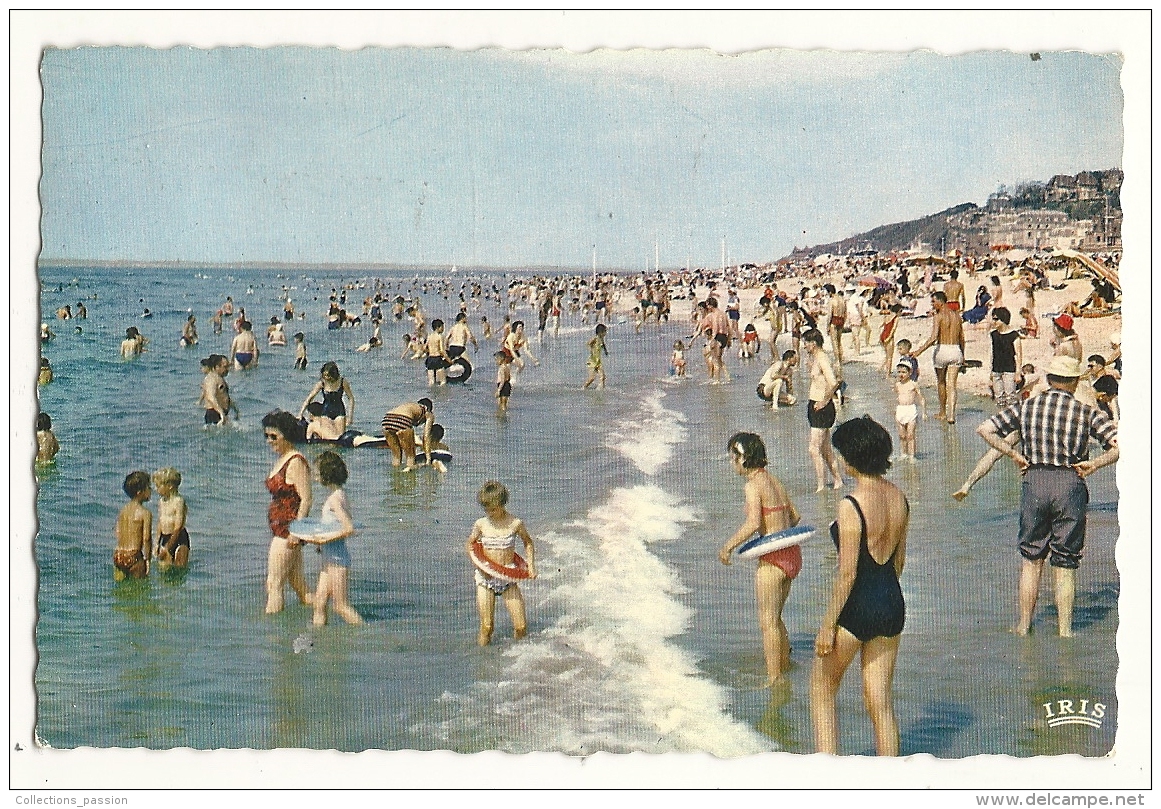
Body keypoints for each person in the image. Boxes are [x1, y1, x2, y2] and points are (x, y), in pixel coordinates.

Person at [976, 356, 1119, 637]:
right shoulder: (1086, 412)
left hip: (1035, 480)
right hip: (1070, 482)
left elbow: (985, 429)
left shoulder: (1026, 406)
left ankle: (1023, 625)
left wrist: (1015, 455)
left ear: (1049, 379)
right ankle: (1065, 631)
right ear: (1076, 381)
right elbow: (1119, 445)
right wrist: (1095, 464)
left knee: (1031, 559)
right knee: (1065, 563)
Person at [811, 416, 908, 756]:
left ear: (851, 457)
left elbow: (847, 574)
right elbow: (898, 563)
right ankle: (892, 783)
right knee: (880, 703)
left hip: (857, 605)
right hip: (891, 603)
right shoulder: (899, 497)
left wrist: (826, 627)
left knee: (823, 690)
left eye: (839, 453)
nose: (837, 458)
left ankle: (828, 781)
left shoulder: (850, 505)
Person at [718, 433, 802, 688]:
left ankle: (774, 680)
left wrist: (728, 546)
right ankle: (785, 668)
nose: (732, 463)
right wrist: (776, 530)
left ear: (743, 458)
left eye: (733, 458)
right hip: (792, 554)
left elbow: (754, 522)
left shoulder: (753, 485)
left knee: (767, 622)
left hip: (773, 558)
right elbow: (795, 518)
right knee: (776, 618)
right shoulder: (774, 481)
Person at [291, 451, 363, 627]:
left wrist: (323, 541)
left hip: (338, 561)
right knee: (319, 603)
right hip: (329, 559)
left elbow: (348, 528)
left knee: (340, 606)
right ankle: (319, 641)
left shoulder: (334, 500)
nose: (314, 476)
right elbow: (336, 526)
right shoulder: (340, 494)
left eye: (317, 473)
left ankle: (366, 635)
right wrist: (321, 541)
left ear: (327, 474)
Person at [466, 480, 537, 646]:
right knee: (487, 626)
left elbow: (528, 542)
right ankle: (482, 665)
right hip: (486, 579)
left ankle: (518, 656)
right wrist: (479, 566)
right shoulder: (481, 524)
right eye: (486, 509)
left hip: (508, 577)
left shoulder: (515, 523)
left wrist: (531, 566)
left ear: (502, 504)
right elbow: (470, 544)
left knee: (521, 626)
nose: (489, 512)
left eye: (493, 509)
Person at [262, 410, 313, 614]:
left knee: (273, 584)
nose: (269, 441)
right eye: (266, 436)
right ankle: (324, 615)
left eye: (274, 437)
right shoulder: (283, 458)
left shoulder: (295, 462)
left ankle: (273, 638)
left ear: (287, 435)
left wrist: (296, 532)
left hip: (288, 532)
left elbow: (307, 499)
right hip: (284, 530)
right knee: (299, 587)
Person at [913, 291, 965, 423]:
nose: (932, 304)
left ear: (941, 302)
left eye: (933, 301)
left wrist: (918, 351)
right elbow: (962, 339)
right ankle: (951, 415)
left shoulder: (938, 316)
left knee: (941, 382)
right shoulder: (957, 316)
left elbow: (933, 337)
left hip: (942, 350)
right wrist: (962, 355)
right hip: (956, 350)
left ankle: (942, 412)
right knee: (952, 385)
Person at [803, 329, 844, 492]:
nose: (804, 346)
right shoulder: (815, 358)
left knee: (813, 449)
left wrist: (824, 401)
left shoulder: (822, 358)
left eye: (806, 343)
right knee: (825, 449)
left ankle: (821, 486)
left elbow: (834, 382)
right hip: (815, 404)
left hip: (822, 406)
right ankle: (838, 480)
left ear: (813, 343)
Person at [114, 471, 153, 581]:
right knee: (139, 590)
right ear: (139, 492)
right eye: (148, 487)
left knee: (121, 590)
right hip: (133, 556)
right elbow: (147, 538)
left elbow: (117, 531)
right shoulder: (145, 513)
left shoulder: (123, 510)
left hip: (119, 554)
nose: (151, 490)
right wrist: (147, 560)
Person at [298, 362, 355, 435]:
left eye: (328, 375)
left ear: (334, 374)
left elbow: (351, 398)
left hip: (340, 411)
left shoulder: (342, 382)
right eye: (324, 375)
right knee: (328, 436)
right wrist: (301, 413)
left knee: (340, 437)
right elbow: (309, 398)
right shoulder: (322, 383)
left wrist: (350, 417)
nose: (326, 377)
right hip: (326, 412)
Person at [380, 398, 435, 471]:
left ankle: (396, 479)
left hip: (387, 420)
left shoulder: (411, 406)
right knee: (410, 457)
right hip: (403, 419)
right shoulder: (428, 413)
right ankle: (410, 479)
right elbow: (426, 437)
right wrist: (428, 458)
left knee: (396, 456)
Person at [152, 467, 190, 570]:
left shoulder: (178, 501)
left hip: (179, 538)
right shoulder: (161, 501)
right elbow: (160, 522)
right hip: (165, 537)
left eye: (158, 486)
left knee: (179, 570)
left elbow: (178, 526)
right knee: (164, 571)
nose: (156, 489)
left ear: (169, 486)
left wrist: (168, 547)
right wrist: (156, 543)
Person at [989, 307, 1022, 409]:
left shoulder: (1014, 335)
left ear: (1003, 320)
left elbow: (1019, 355)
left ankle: (1013, 420)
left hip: (1009, 369)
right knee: (999, 398)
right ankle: (1001, 419)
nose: (993, 322)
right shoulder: (993, 334)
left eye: (996, 319)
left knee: (1011, 397)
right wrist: (991, 370)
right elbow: (992, 353)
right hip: (996, 369)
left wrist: (1018, 372)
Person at [893, 363, 926, 460]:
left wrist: (924, 412)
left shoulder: (913, 384)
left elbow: (921, 398)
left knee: (910, 435)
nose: (901, 374)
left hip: (910, 409)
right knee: (902, 435)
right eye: (899, 372)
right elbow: (896, 396)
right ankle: (903, 453)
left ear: (909, 372)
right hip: (900, 409)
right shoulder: (897, 385)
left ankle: (912, 455)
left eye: (904, 372)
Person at [199, 354, 236, 425]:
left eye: (228, 366)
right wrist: (221, 413)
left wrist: (235, 409)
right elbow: (210, 397)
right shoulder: (212, 379)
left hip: (220, 413)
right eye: (225, 367)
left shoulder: (219, 378)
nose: (228, 369)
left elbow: (223, 396)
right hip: (214, 414)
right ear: (217, 367)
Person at [1088, 355, 1119, 422]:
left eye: (1091, 366)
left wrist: (1098, 395)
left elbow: (1113, 396)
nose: (1089, 369)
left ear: (1100, 366)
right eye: (1089, 366)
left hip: (1109, 414)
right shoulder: (1092, 380)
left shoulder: (1108, 379)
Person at [583, 323, 608, 389]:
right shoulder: (595, 339)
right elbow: (588, 343)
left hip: (598, 362)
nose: (606, 333)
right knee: (592, 378)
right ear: (601, 332)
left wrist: (605, 350)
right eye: (605, 331)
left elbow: (603, 344)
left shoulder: (601, 339)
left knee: (603, 377)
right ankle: (583, 387)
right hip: (592, 361)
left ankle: (601, 389)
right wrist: (591, 346)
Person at [826, 286, 846, 365]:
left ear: (830, 292)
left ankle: (837, 360)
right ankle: (840, 359)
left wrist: (827, 325)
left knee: (834, 342)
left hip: (834, 320)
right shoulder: (842, 300)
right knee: (839, 341)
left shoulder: (832, 301)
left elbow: (829, 315)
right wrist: (844, 322)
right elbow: (845, 312)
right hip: (841, 319)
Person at [878, 305, 902, 374]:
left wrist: (881, 337)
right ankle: (887, 374)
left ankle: (880, 369)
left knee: (886, 355)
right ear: (898, 311)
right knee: (890, 357)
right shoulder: (896, 318)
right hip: (889, 336)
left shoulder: (886, 316)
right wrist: (889, 337)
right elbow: (893, 329)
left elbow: (881, 326)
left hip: (883, 335)